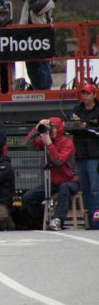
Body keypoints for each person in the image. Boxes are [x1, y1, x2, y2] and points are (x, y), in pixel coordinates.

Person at [22, 117, 78, 230]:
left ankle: (58, 220)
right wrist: (37, 128)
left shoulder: (67, 143)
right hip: (52, 182)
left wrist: (49, 144)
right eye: (49, 128)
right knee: (28, 197)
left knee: (64, 188)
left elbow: (58, 161)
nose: (51, 130)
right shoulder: (45, 140)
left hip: (70, 180)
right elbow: (28, 144)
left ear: (59, 129)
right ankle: (42, 220)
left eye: (53, 128)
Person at [13, 0, 56, 90]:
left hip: (42, 34)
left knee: (42, 64)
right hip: (27, 35)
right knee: (30, 64)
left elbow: (37, 8)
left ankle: (46, 89)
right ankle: (36, 87)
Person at [68, 83, 99, 228]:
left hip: (94, 154)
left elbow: (94, 128)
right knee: (85, 188)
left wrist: (85, 126)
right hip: (80, 154)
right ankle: (88, 221)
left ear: (94, 95)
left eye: (88, 93)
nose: (85, 96)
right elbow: (72, 123)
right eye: (83, 93)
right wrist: (77, 125)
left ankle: (95, 220)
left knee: (95, 188)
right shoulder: (77, 109)